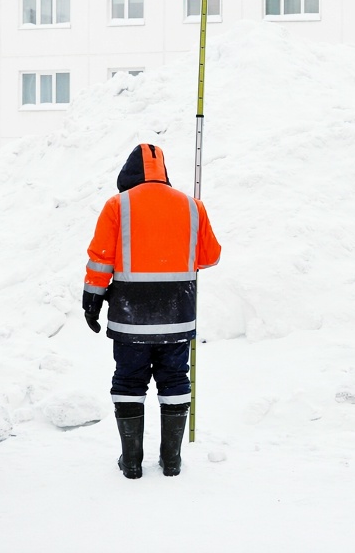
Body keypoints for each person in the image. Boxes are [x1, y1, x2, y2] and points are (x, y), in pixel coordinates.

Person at [83, 143, 221, 479]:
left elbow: (101, 259)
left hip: (130, 314)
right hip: (178, 312)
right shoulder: (193, 206)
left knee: (129, 380)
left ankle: (131, 462)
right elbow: (210, 256)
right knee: (174, 379)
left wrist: (92, 299)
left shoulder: (118, 205)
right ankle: (171, 461)